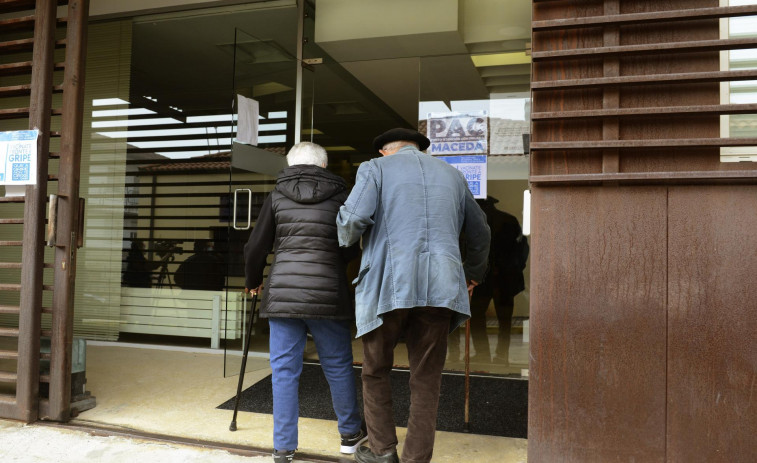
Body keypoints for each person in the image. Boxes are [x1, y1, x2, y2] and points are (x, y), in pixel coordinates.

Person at [336, 128, 490, 463]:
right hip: (441, 287)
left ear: (384, 152)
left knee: (375, 369)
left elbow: (353, 220)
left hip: (387, 287)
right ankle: (416, 458)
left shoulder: (374, 169)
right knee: (426, 378)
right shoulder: (452, 174)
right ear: (420, 149)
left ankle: (383, 451)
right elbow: (481, 230)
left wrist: (344, 234)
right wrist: (473, 273)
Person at [243, 142, 366, 463]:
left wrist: (252, 281)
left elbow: (256, 247)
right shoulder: (343, 196)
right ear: (324, 166)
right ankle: (350, 435)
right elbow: (351, 246)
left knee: (284, 371)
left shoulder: (277, 196)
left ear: (290, 164)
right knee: (338, 365)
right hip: (328, 293)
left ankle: (283, 448)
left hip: (284, 293)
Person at [451, 196, 528, 365]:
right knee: (504, 320)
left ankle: (482, 352)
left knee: (478, 316)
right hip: (504, 279)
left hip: (482, 279)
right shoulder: (509, 220)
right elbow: (522, 249)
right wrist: (514, 270)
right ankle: (501, 355)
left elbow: (464, 251)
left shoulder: (470, 224)